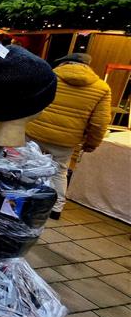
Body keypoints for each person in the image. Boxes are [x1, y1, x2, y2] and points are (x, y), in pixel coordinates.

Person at [26, 53, 112, 219]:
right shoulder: (102, 88)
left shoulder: (48, 77)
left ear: (65, 63)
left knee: (29, 164)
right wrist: (91, 143)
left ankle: (25, 198)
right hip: (66, 140)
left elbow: (31, 101)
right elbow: (99, 122)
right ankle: (55, 209)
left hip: (36, 131)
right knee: (59, 172)